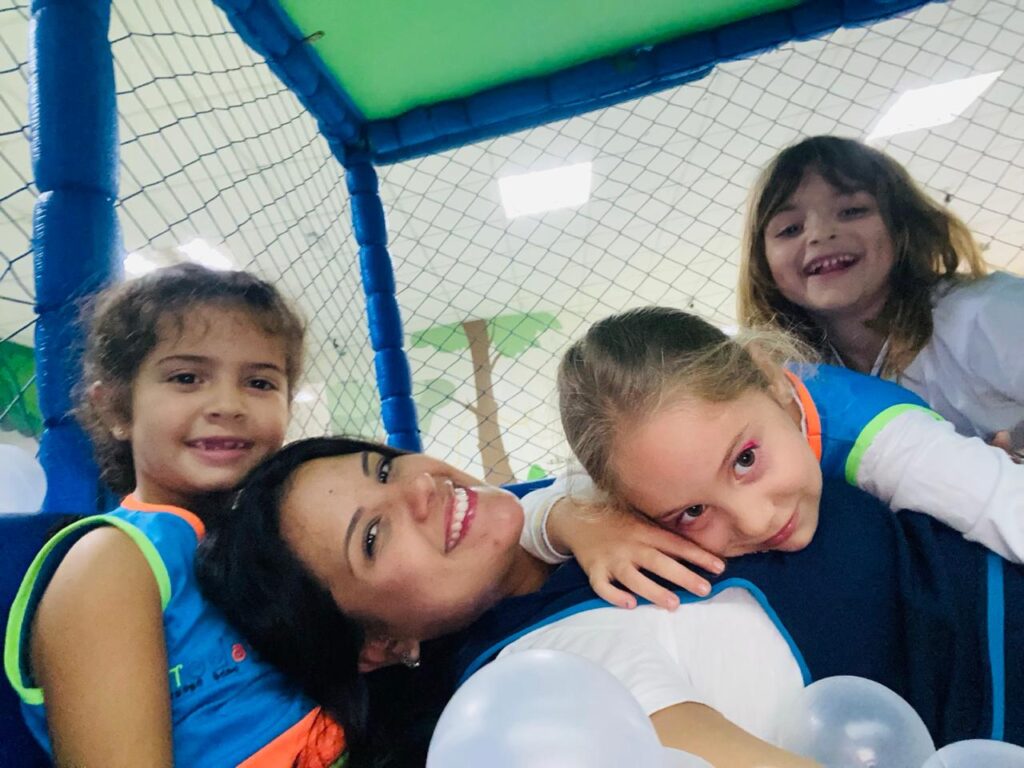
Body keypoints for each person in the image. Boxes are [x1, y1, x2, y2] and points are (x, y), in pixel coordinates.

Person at [195, 436, 1024, 767]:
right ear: (380, 647)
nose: (416, 490)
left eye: (382, 466)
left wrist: (565, 517)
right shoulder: (542, 672)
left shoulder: (556, 519)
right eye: (372, 538)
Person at [3, 264, 347, 767]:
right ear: (116, 410)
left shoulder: (273, 536)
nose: (228, 404)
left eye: (259, 382)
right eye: (187, 378)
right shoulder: (115, 559)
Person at [522, 306, 1024, 611]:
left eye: (744, 460)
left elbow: (1006, 502)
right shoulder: (644, 463)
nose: (756, 521)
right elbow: (527, 511)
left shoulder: (887, 444)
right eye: (693, 512)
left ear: (770, 380)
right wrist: (578, 526)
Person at [737, 134, 1024, 448]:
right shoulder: (792, 380)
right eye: (790, 229)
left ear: (900, 225)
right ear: (762, 263)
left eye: (852, 211)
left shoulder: (987, 313)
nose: (820, 234)